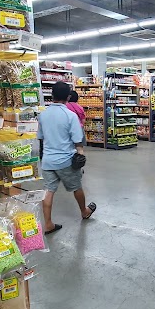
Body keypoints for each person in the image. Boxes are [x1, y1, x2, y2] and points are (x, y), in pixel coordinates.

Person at [37, 82, 96, 234]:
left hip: (48, 161)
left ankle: (48, 224)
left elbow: (41, 138)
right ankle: (84, 211)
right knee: (76, 187)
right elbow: (78, 140)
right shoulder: (70, 115)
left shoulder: (43, 114)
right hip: (65, 161)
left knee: (48, 191)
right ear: (68, 97)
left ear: (52, 96)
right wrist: (81, 155)